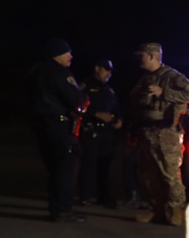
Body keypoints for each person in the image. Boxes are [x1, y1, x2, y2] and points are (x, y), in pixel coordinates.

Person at [129, 42, 189, 225]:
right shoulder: (144, 79)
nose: (139, 59)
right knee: (147, 173)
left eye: (142, 55)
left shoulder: (172, 77)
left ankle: (176, 210)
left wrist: (163, 92)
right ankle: (156, 209)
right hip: (147, 131)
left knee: (169, 173)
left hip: (166, 132)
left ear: (151, 56)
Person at [28, 38, 88, 222]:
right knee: (65, 168)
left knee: (54, 168)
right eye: (66, 52)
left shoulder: (35, 71)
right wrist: (82, 98)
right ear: (56, 54)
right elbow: (75, 98)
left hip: (42, 125)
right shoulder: (60, 73)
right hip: (59, 125)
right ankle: (63, 210)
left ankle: (56, 208)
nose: (71, 56)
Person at [78, 58, 123, 208]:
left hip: (106, 132)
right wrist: (95, 113)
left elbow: (115, 108)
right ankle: (84, 196)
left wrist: (119, 119)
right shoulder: (85, 86)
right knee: (89, 165)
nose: (109, 73)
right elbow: (77, 108)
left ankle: (104, 197)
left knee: (105, 166)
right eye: (106, 69)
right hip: (91, 131)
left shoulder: (108, 89)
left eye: (110, 71)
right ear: (97, 68)